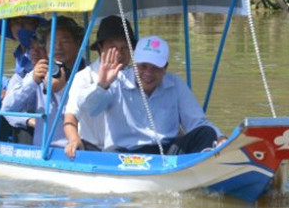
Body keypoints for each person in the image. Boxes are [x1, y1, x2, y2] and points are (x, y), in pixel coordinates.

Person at [79, 35, 226, 155]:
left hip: (165, 151)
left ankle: (207, 163)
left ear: (165, 68)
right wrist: (102, 85)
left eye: (155, 68)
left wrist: (220, 137)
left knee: (206, 133)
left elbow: (197, 122)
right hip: (124, 154)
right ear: (135, 64)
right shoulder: (117, 80)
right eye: (143, 66)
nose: (148, 73)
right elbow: (89, 109)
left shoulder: (175, 84)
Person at [2, 16, 86, 147]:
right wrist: (32, 81)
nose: (58, 47)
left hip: (79, 150)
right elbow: (7, 108)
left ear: (78, 43)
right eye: (51, 42)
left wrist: (62, 90)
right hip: (43, 153)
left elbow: (91, 114)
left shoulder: (90, 74)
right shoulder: (39, 73)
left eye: (65, 41)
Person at [63, 15, 137, 158]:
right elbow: (70, 117)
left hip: (129, 150)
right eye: (113, 48)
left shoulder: (137, 76)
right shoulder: (84, 77)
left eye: (125, 48)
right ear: (100, 47)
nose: (119, 54)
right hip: (93, 150)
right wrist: (73, 140)